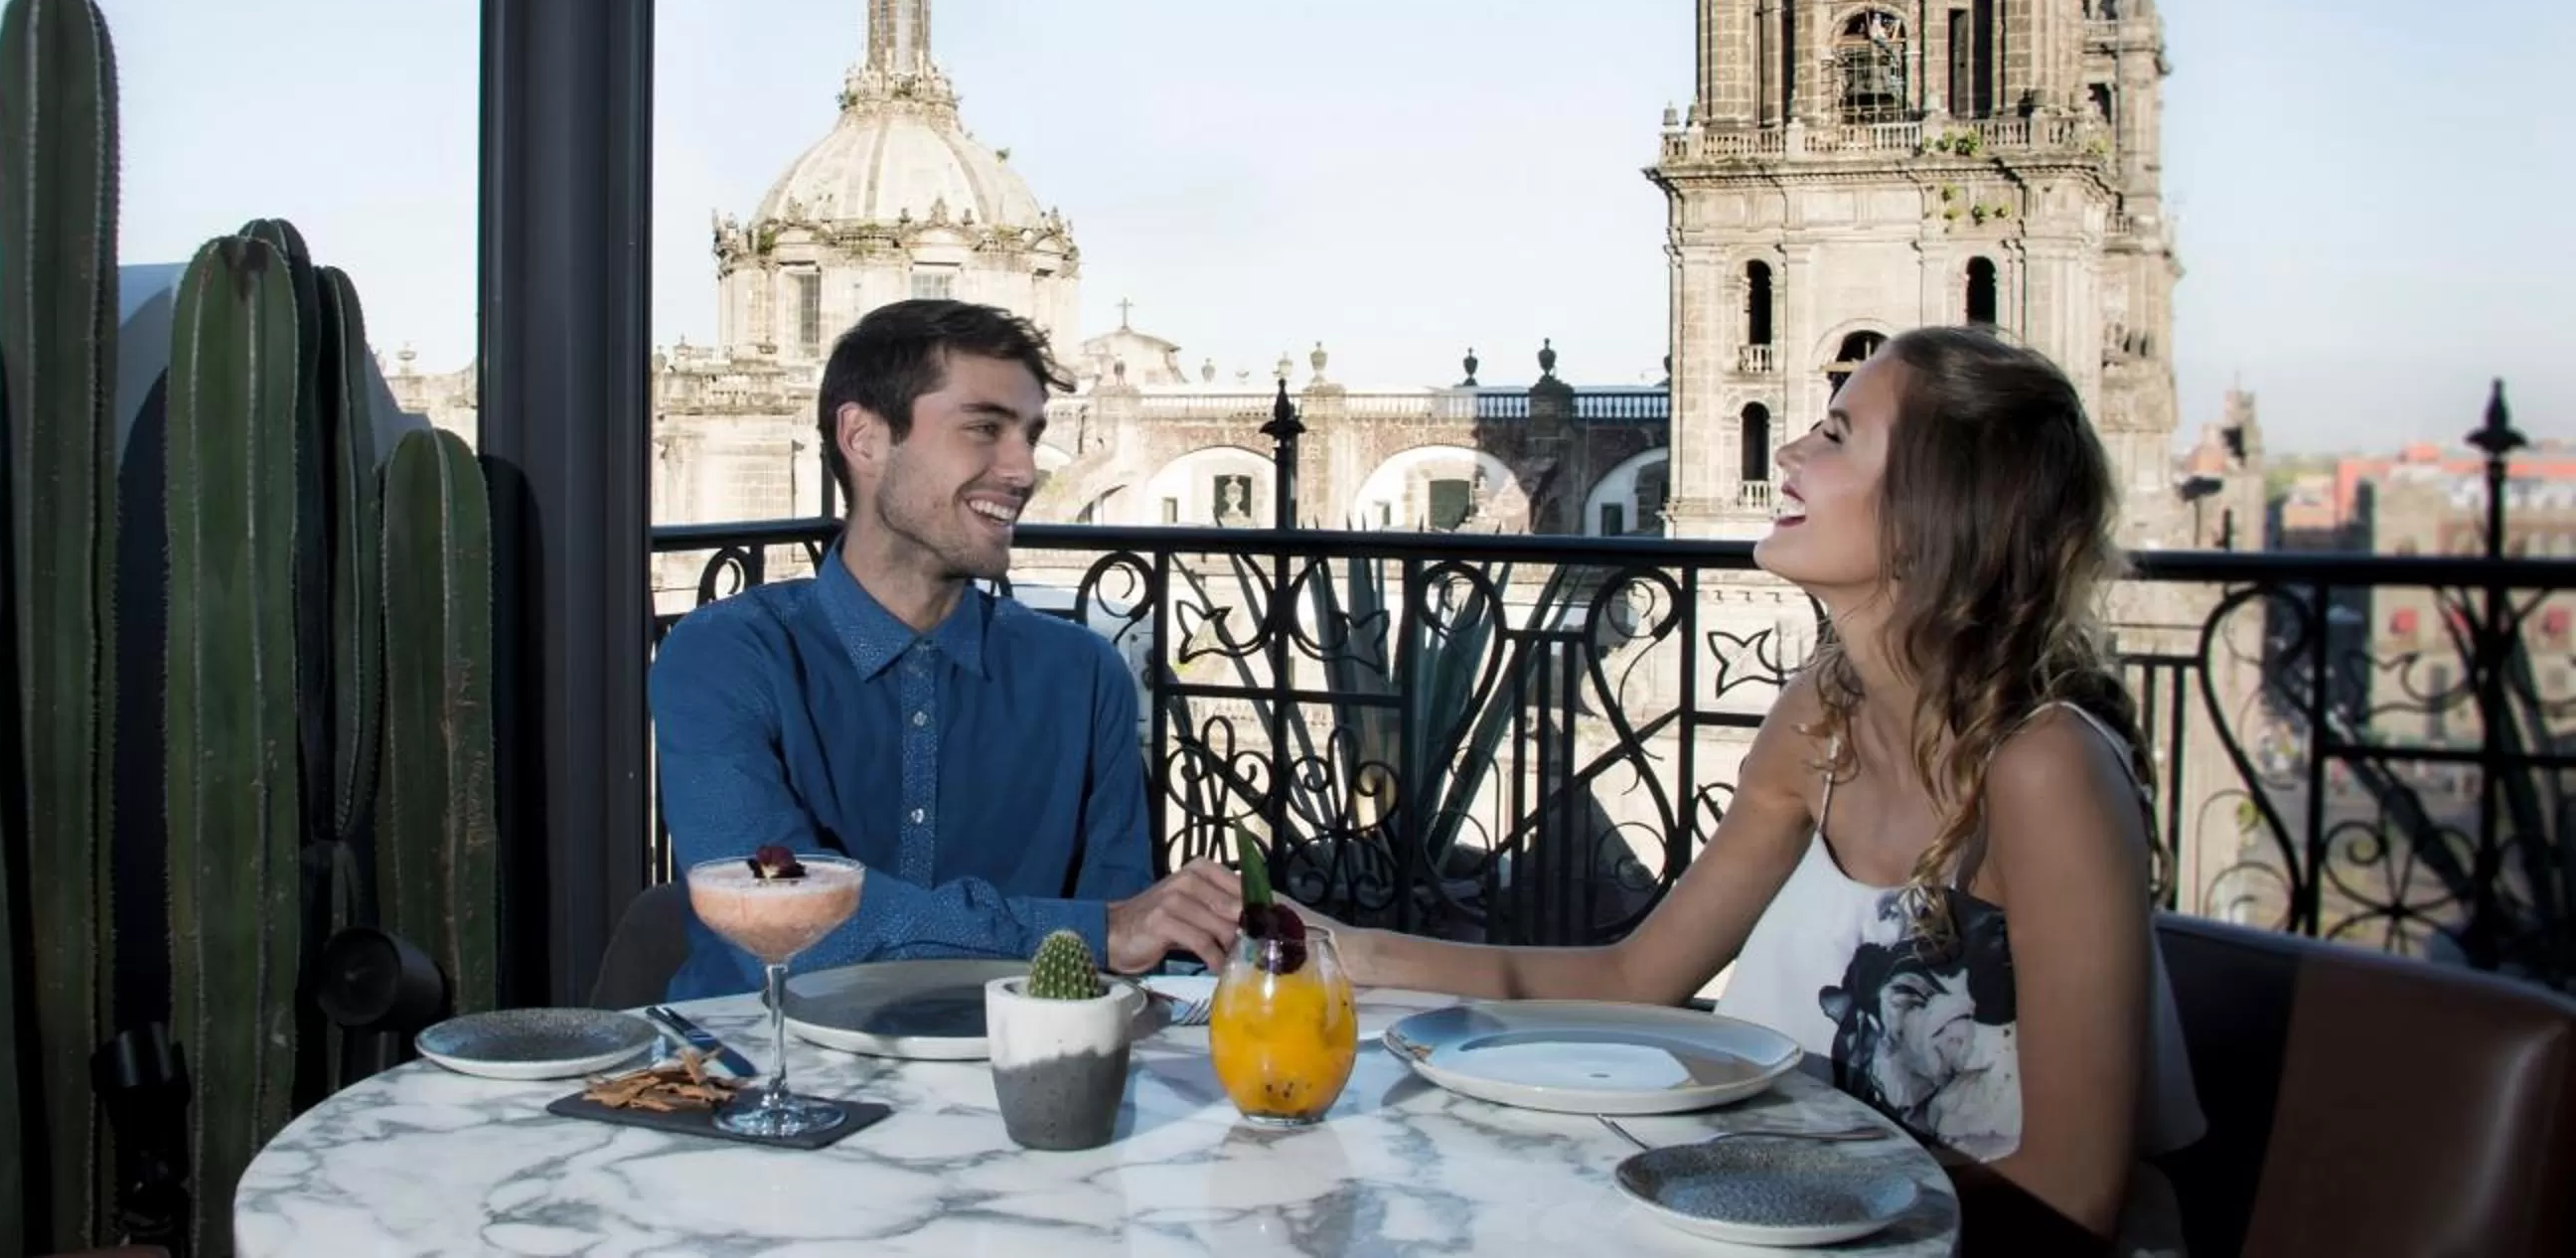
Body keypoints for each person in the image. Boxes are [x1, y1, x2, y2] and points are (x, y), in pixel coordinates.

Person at [1316, 327, 2202, 1249]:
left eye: (1837, 436)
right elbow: (1635, 978)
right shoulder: (1817, 717)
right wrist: (1352, 952)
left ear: (1939, 506)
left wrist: (1726, 1200)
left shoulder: (2045, 767)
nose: (1787, 452)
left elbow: (2073, 1191)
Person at [651, 298, 1241, 999]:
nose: (1024, 469)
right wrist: (1091, 930)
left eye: (1029, 433)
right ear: (864, 438)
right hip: (751, 1084)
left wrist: (1115, 933)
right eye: (985, 428)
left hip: (1006, 1091)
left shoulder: (1083, 675)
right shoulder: (724, 656)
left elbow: (1115, 968)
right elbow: (780, 920)